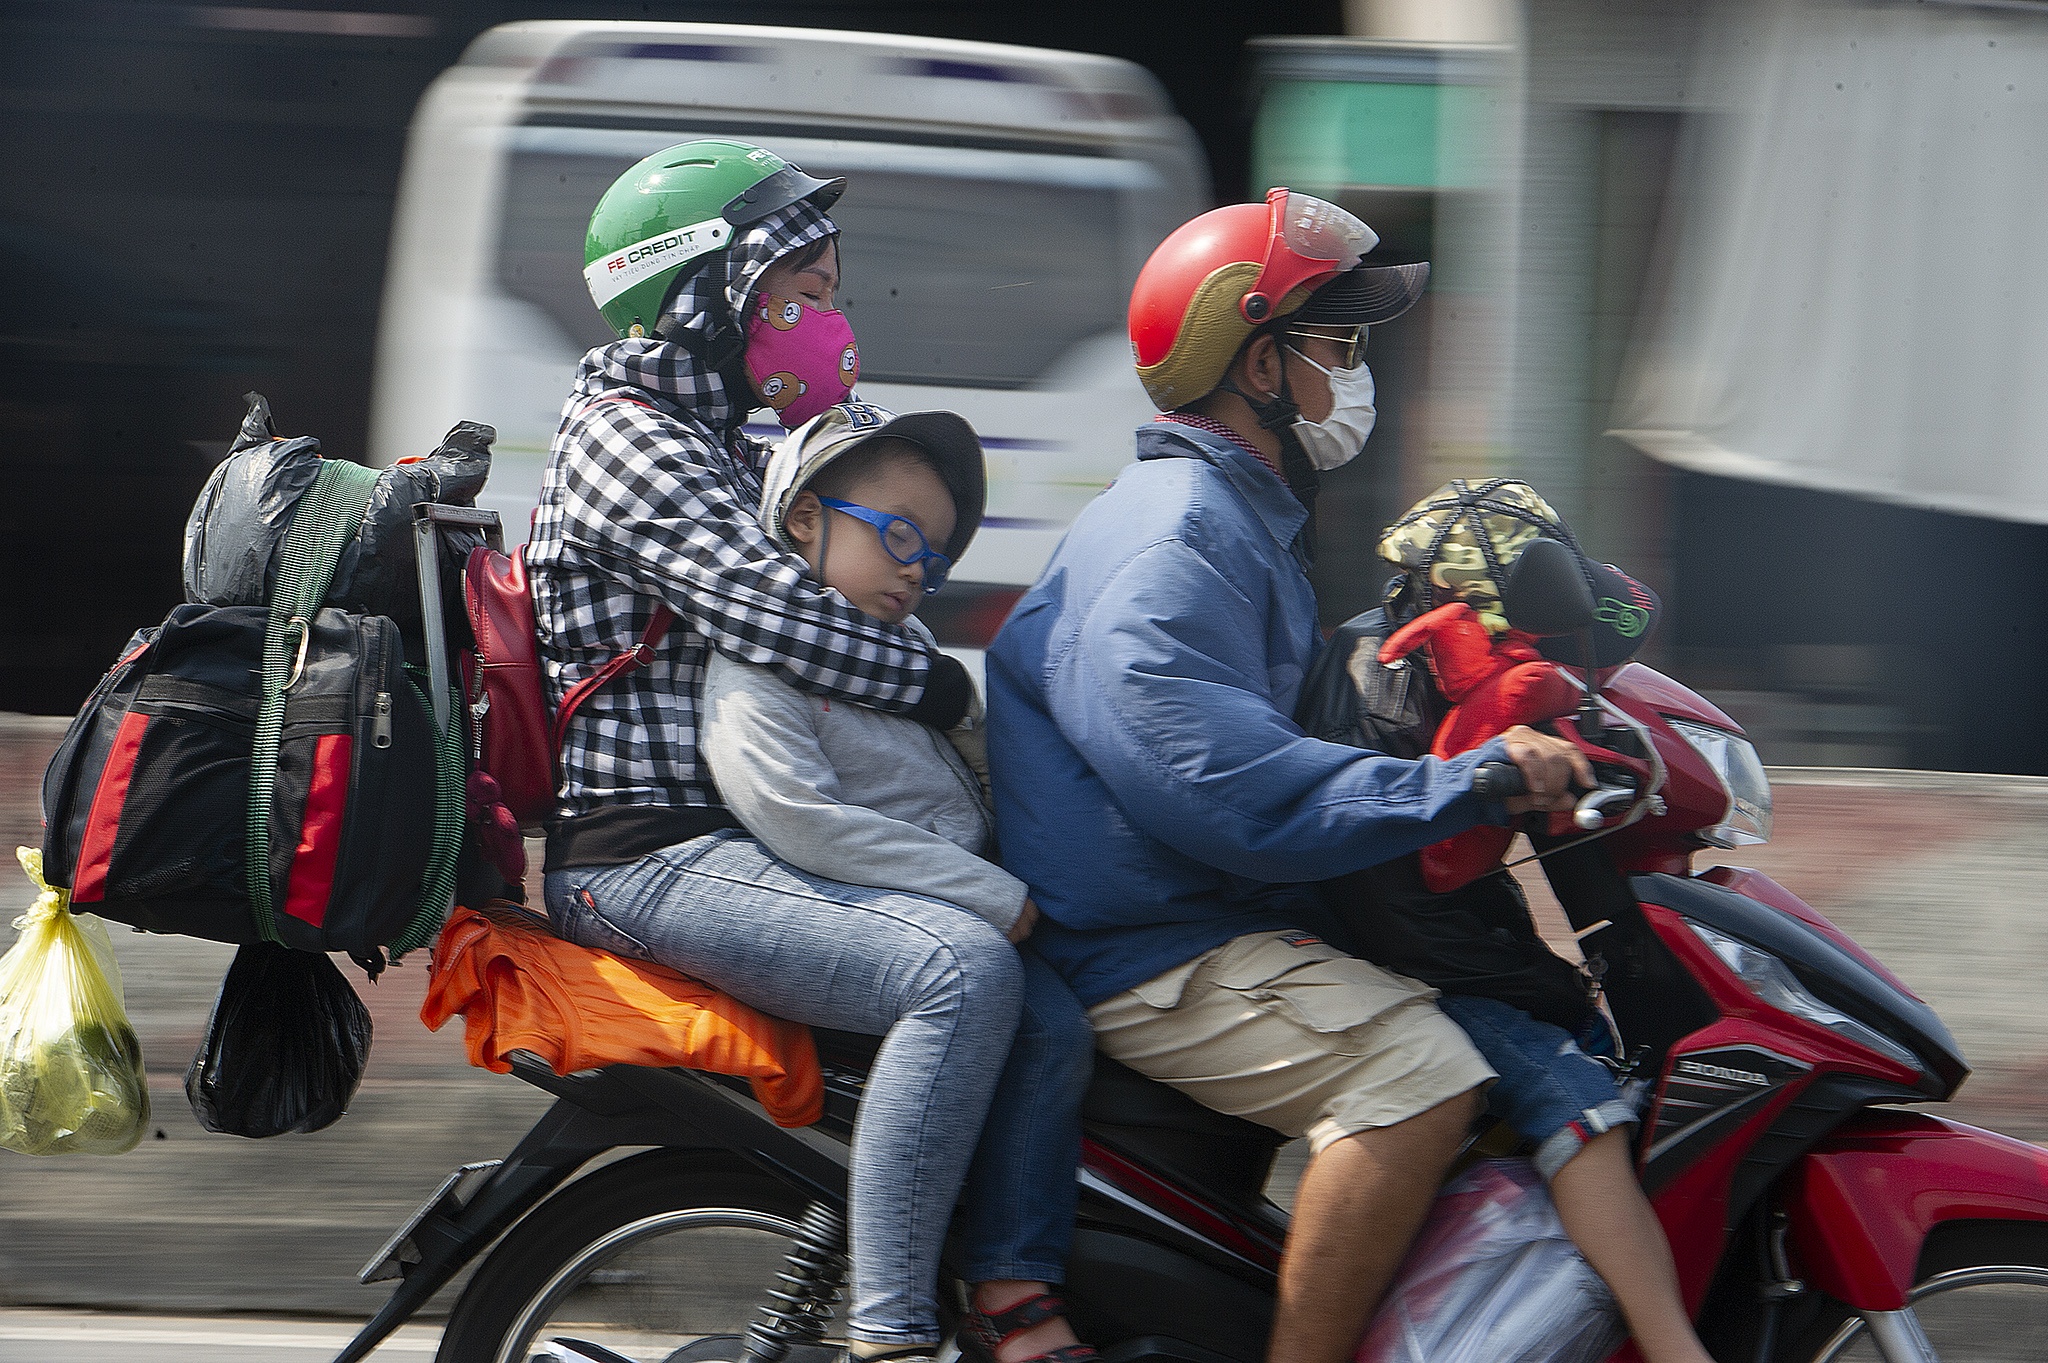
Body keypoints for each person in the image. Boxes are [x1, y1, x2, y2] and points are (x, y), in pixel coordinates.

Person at [985, 189, 1592, 1363]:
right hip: (1154, 947)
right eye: (1336, 344)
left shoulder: (1236, 515)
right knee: (1419, 1077)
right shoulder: (1175, 538)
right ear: (1256, 362)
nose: (1356, 373)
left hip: (1208, 917)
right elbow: (1226, 788)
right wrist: (1464, 785)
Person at [529, 139, 1091, 1363]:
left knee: (1049, 1005)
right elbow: (777, 619)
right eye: (803, 292)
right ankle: (891, 1333)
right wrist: (944, 686)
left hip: (739, 837)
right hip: (649, 855)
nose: (826, 324)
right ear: (702, 293)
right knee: (957, 970)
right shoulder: (624, 436)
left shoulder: (724, 445)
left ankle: (1010, 1287)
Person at [698, 400, 1096, 1363]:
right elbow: (797, 815)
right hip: (888, 918)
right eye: (901, 534)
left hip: (955, 903)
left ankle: (1006, 1267)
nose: (918, 567)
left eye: (936, 554)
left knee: (1060, 1031)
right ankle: (904, 1322)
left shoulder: (906, 653)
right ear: (804, 517)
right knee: (999, 997)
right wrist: (984, 892)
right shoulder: (758, 656)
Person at [1309, 480, 1714, 1363]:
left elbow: (1562, 841)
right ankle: (1675, 1343)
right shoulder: (1384, 691)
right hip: (1380, 964)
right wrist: (1553, 990)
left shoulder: (1467, 674)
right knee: (1576, 1097)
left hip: (1432, 939)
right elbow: (1400, 918)